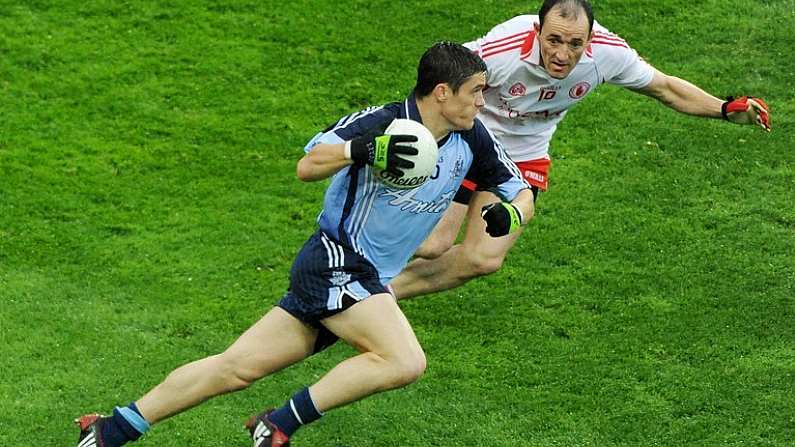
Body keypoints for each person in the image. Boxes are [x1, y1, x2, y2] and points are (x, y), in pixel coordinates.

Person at [74, 42, 535, 447]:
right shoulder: (383, 122)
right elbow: (308, 164)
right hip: (337, 262)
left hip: (368, 278)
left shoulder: (472, 137)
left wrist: (509, 213)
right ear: (442, 93)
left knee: (235, 368)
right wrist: (364, 150)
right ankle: (276, 424)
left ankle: (111, 429)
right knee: (404, 360)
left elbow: (521, 191)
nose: (482, 99)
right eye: (475, 90)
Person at [389, 0, 772, 300]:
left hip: (524, 155)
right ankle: (353, 277)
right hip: (471, 137)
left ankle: (381, 294)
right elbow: (439, 80)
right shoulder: (502, 50)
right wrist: (416, 136)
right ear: (538, 31)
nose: (563, 54)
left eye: (575, 44)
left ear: (590, 40)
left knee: (482, 258)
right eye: (554, 40)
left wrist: (724, 109)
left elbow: (666, 89)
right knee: (432, 243)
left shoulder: (608, 55)